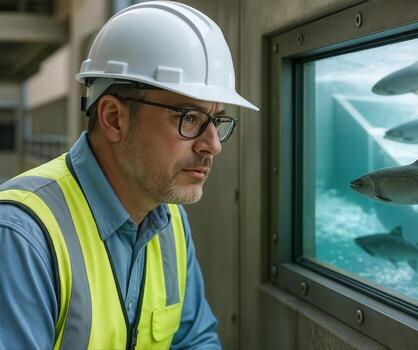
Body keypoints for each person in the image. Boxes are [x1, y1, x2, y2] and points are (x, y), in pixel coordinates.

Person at [0, 1, 258, 349]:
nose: (213, 145)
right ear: (113, 119)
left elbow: (195, 340)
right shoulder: (22, 237)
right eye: (189, 118)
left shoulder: (172, 224)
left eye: (217, 120)